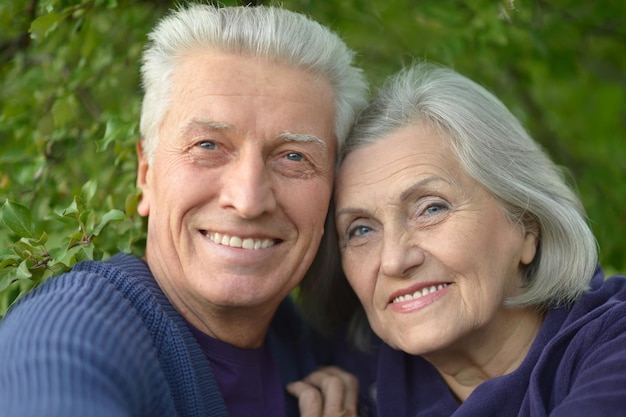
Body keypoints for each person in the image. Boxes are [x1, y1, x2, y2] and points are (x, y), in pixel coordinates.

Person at [0, 4, 368, 417]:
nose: (248, 201)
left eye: (294, 157)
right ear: (146, 174)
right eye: (208, 146)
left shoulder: (309, 350)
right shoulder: (68, 333)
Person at [324, 61, 626, 416]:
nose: (394, 260)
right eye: (361, 229)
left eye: (431, 209)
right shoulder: (343, 386)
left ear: (526, 224)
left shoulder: (613, 346)